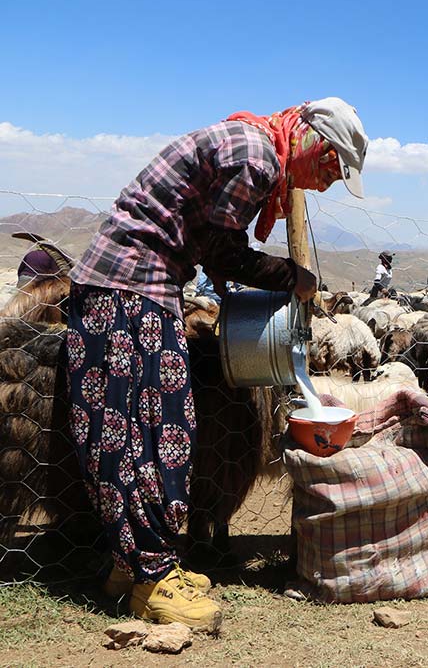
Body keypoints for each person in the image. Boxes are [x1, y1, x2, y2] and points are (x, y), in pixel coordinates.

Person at [66, 97, 368, 631]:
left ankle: (130, 562)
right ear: (310, 141)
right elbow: (222, 252)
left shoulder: (251, 144)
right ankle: (150, 580)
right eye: (330, 169)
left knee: (163, 428)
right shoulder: (256, 158)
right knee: (132, 432)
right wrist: (291, 276)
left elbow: (207, 238)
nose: (324, 185)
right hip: (127, 286)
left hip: (143, 285)